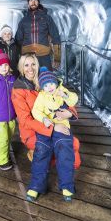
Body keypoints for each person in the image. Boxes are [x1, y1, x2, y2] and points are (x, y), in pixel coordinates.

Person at [11, 53, 81, 174]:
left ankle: (48, 156)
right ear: (21, 68)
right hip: (33, 132)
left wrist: (70, 113)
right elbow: (25, 120)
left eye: (33, 64)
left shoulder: (46, 81)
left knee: (75, 158)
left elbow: (66, 98)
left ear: (37, 66)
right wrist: (53, 129)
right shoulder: (18, 90)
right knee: (66, 148)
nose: (30, 68)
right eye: (26, 65)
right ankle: (36, 153)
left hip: (54, 123)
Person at [27, 67, 78, 202]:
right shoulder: (42, 96)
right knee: (41, 151)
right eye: (46, 85)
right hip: (47, 127)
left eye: (51, 83)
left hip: (63, 127)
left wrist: (65, 95)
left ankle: (66, 186)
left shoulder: (61, 91)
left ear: (55, 82)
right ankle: (36, 186)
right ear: (42, 87)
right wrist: (44, 118)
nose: (49, 87)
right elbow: (36, 111)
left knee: (65, 151)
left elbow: (73, 100)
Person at [15, 0, 61, 70]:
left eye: (35, 0)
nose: (33, 2)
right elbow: (18, 39)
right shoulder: (24, 20)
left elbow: (55, 36)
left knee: (46, 79)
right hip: (28, 56)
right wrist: (18, 57)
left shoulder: (47, 18)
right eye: (31, 1)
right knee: (28, 79)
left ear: (38, 2)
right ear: (28, 3)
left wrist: (57, 57)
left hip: (44, 56)